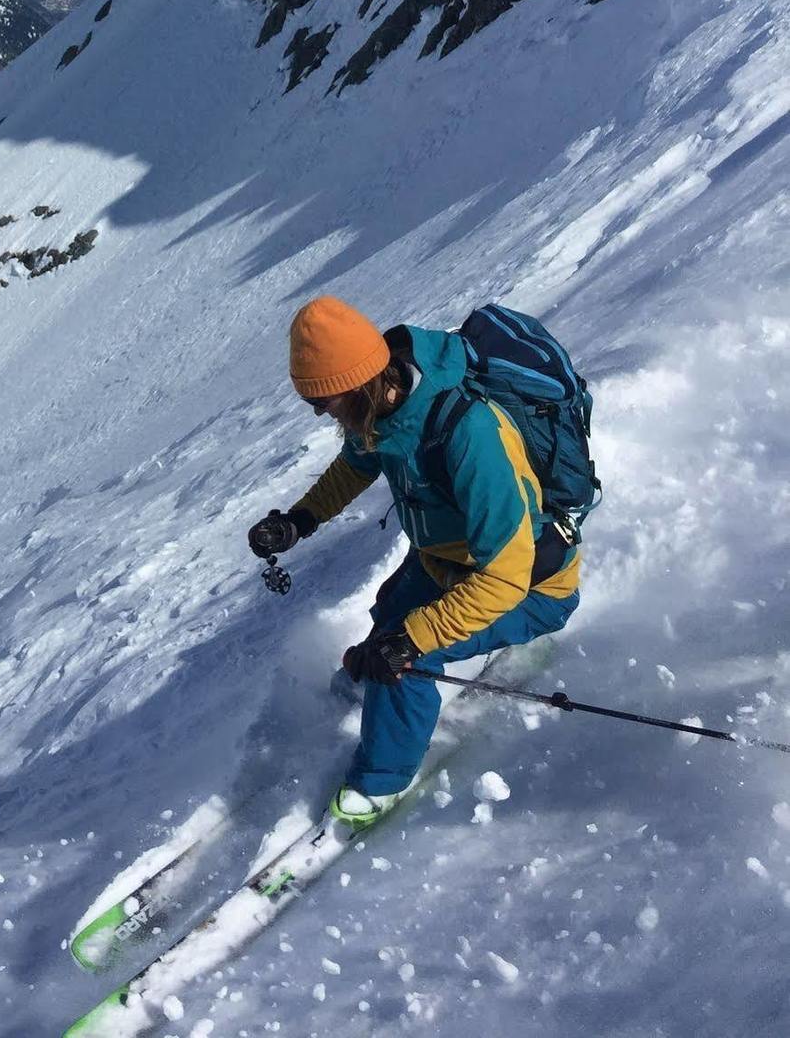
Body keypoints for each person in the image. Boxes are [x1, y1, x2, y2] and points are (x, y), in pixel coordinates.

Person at [248, 295, 581, 829]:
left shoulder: (470, 434)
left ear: (357, 384)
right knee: (390, 613)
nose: (320, 414)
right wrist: (300, 520)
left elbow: (506, 573)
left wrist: (415, 639)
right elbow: (355, 465)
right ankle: (381, 678)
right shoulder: (381, 406)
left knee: (402, 654)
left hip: (531, 586)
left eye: (324, 402)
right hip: (446, 563)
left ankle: (381, 780)